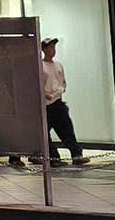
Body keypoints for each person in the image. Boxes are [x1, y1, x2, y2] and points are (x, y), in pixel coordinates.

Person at [38, 38, 90, 168]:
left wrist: (57, 92)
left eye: (54, 47)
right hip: (45, 104)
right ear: (44, 49)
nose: (53, 50)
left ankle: (76, 154)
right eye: (50, 47)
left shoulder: (58, 65)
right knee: (44, 133)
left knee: (66, 129)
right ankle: (53, 157)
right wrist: (44, 94)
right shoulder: (40, 66)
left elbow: (62, 83)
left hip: (57, 102)